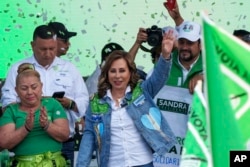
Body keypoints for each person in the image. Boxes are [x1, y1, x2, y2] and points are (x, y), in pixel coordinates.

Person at [76, 30, 177, 167]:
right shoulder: (96, 102)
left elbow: (160, 76)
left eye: (122, 70)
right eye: (113, 71)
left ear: (130, 72)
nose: (118, 76)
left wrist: (165, 55)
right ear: (106, 74)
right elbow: (89, 136)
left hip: (143, 163)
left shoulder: (141, 91)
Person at [1, 25, 89, 167]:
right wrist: (30, 104)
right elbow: (7, 102)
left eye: (52, 48)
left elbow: (84, 100)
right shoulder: (17, 69)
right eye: (43, 49)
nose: (48, 53)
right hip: (26, 143)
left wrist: (70, 103)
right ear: (32, 45)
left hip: (63, 141)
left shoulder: (69, 68)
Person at [151, 1, 204, 166]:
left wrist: (206, 77)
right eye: (182, 42)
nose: (185, 47)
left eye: (190, 43)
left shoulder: (211, 67)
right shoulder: (164, 65)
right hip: (164, 156)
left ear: (200, 45)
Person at [0, 63, 70, 166]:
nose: (29, 92)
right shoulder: (11, 111)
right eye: (24, 88)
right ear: (16, 90)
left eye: (34, 87)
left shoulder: (52, 104)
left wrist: (47, 125)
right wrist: (26, 128)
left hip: (54, 163)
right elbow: (4, 143)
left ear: (41, 86)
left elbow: (65, 135)